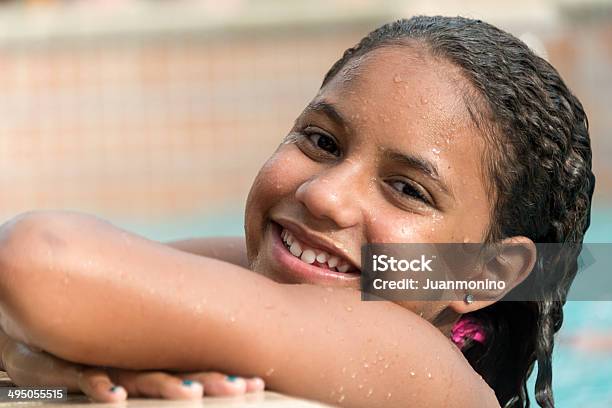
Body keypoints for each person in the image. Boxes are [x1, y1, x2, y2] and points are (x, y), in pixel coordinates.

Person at [0, 15, 595, 408]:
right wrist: (31, 353)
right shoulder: (336, 279)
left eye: (408, 190)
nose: (323, 195)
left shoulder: (417, 364)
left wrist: (44, 342)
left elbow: (40, 260)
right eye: (321, 141)